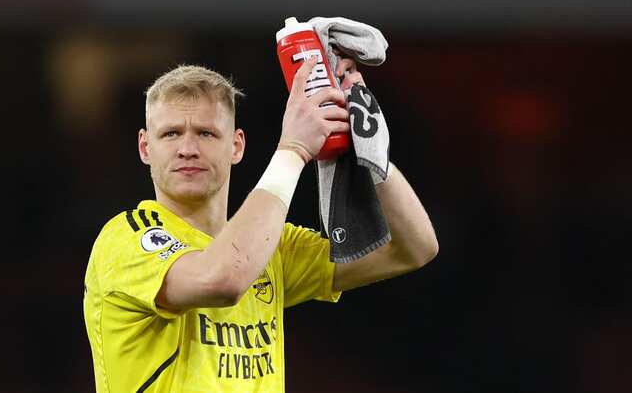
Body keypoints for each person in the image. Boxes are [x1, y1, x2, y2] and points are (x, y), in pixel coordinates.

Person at [83, 56, 438, 392]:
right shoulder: (125, 240)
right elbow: (224, 277)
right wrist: (294, 149)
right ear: (145, 148)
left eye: (206, 133)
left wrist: (373, 152)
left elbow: (413, 248)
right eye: (171, 134)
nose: (187, 148)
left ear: (236, 146)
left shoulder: (272, 247)